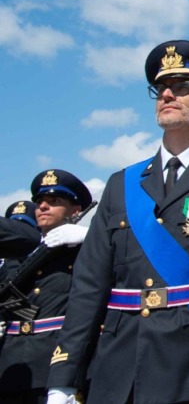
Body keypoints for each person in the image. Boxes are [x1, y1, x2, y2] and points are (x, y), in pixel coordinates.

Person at [45, 40, 189, 404]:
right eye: (162, 88)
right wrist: (63, 378)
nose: (167, 94)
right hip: (117, 367)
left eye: (183, 87)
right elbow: (89, 285)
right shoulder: (122, 183)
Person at [0, 171, 92, 404]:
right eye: (40, 201)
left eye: (54, 201)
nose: (43, 207)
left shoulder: (84, 250)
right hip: (11, 363)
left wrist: (93, 237)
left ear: (75, 210)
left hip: (54, 360)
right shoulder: (20, 252)